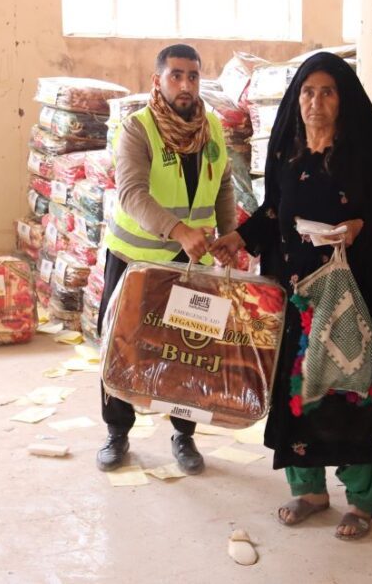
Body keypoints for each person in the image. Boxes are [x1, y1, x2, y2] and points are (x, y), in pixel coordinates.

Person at [211, 52, 372, 540]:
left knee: (353, 393)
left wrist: (359, 227)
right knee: (299, 393)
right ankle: (309, 491)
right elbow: (274, 211)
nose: (315, 102)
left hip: (355, 299)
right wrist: (239, 239)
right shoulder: (288, 153)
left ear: (343, 99)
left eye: (327, 92)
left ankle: (363, 501)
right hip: (300, 303)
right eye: (308, 92)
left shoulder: (365, 154)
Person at [96, 43, 236, 474]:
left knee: (189, 350)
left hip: (192, 262)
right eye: (176, 75)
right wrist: (178, 230)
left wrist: (229, 235)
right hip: (136, 260)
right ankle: (117, 432)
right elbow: (132, 193)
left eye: (193, 76)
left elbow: (224, 184)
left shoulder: (212, 127)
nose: (185, 85)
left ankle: (184, 434)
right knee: (122, 346)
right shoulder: (137, 129)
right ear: (157, 81)